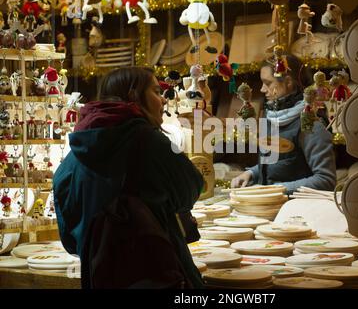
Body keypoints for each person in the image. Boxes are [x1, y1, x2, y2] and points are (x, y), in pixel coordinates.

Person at [53, 67, 204, 288]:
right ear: (134, 95)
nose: (163, 100)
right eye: (155, 91)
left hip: (100, 277)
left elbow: (68, 236)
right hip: (154, 273)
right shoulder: (148, 140)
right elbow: (190, 188)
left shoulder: (78, 148)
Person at [231, 55, 336, 194]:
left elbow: (326, 180)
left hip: (297, 211)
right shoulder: (272, 119)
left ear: (288, 82)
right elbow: (279, 164)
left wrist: (275, 190)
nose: (262, 89)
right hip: (273, 206)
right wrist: (251, 173)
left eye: (267, 83)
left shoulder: (310, 123)